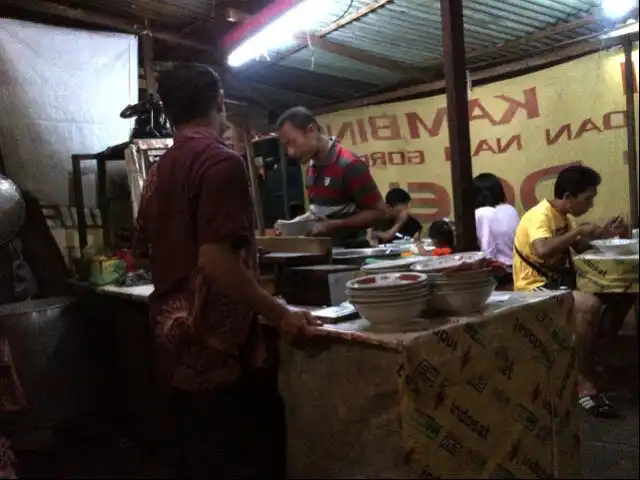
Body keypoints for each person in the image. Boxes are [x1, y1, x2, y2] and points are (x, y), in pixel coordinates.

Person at [132, 64, 320, 480]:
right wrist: (280, 313)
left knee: (196, 457)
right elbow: (215, 260)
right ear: (220, 101)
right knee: (238, 457)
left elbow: (144, 253)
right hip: (218, 351)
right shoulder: (222, 162)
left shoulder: (158, 171)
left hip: (171, 344)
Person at [512, 164, 633, 418]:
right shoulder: (540, 215)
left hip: (560, 282)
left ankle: (591, 356)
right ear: (568, 197)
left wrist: (607, 233)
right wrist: (578, 231)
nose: (590, 205)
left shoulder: (565, 218)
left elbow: (581, 248)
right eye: (587, 199)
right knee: (588, 305)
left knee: (623, 293)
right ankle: (583, 383)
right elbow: (543, 249)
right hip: (533, 286)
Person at [276, 106, 385, 248]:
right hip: (325, 254)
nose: (290, 152)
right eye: (286, 146)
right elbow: (320, 213)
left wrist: (334, 225)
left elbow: (380, 212)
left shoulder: (349, 164)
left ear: (312, 130)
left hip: (351, 257)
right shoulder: (311, 167)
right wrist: (296, 224)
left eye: (294, 142)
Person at [474, 173, 520, 286]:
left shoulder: (481, 213)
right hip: (518, 269)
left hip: (501, 273)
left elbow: (487, 250)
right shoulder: (510, 209)